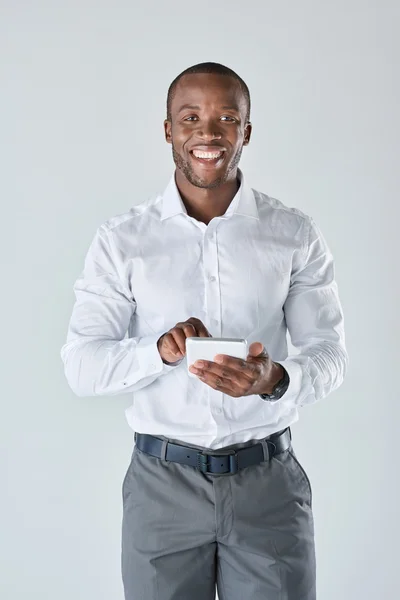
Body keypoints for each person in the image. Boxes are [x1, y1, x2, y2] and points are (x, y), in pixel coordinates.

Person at [61, 62, 348, 600]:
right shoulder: (122, 240)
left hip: (269, 483)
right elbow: (82, 365)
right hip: (160, 486)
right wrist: (158, 351)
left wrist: (275, 378)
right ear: (168, 130)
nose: (208, 133)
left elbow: (330, 354)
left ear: (246, 131)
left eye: (226, 118)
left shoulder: (292, 233)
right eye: (190, 117)